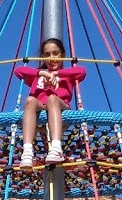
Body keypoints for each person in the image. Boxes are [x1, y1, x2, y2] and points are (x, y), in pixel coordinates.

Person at [13, 39, 86, 168]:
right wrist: (42, 73)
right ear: (42, 57)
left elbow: (81, 71)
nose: (52, 58)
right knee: (30, 100)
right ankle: (27, 151)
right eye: (47, 54)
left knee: (52, 98)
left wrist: (57, 73)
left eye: (55, 53)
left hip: (61, 106)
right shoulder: (38, 75)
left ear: (63, 55)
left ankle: (56, 148)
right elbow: (18, 71)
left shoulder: (66, 75)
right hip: (41, 107)